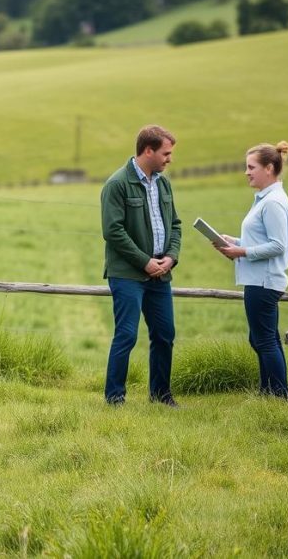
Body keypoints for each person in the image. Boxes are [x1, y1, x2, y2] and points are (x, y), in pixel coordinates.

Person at [101, 125, 182, 406]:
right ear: (148, 150)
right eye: (166, 153)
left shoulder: (163, 183)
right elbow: (113, 231)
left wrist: (170, 257)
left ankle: (161, 396)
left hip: (161, 273)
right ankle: (115, 398)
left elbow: (175, 225)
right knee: (126, 335)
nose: (169, 159)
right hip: (127, 275)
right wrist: (145, 262)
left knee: (165, 334)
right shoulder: (117, 184)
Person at [216, 142, 288, 398]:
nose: (246, 172)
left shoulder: (272, 203)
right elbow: (263, 239)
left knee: (265, 341)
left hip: (263, 281)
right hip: (260, 280)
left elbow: (278, 245)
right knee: (263, 339)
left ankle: (278, 396)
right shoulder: (266, 199)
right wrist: (236, 242)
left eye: (251, 167)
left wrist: (241, 252)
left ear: (269, 168)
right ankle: (269, 392)